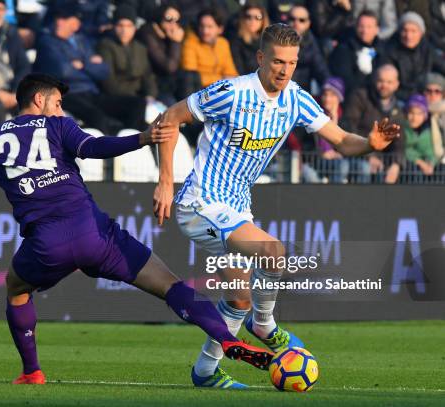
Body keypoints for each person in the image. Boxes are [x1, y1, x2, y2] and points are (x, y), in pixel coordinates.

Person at [0, 73, 272, 386]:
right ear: (43, 100)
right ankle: (224, 338)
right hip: (93, 233)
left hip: (46, 244)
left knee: (15, 287)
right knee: (169, 283)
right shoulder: (59, 126)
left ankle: (32, 372)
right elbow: (95, 148)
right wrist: (141, 139)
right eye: (59, 102)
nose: (62, 109)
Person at [152, 23, 400, 389]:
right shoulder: (231, 92)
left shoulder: (295, 98)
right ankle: (265, 324)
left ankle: (205, 372)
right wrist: (165, 182)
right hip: (200, 201)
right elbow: (170, 118)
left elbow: (342, 141)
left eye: (292, 63)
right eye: (278, 62)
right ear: (261, 58)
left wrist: (370, 144)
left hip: (237, 206)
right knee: (273, 252)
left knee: (238, 298)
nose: (284, 71)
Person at [34, 5, 145, 134]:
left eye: (65, 19)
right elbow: (63, 71)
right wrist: (90, 67)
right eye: (58, 18)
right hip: (67, 94)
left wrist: (82, 65)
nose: (59, 22)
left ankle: (133, 144)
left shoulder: (82, 41)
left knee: (137, 104)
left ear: (76, 23)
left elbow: (104, 71)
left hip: (92, 93)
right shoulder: (47, 42)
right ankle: (110, 151)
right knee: (97, 116)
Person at [344, 64, 405, 183]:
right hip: (357, 154)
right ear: (374, 80)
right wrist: (368, 156)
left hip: (382, 160)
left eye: (389, 82)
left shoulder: (399, 110)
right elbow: (348, 126)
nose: (384, 86)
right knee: (364, 169)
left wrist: (396, 164)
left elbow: (400, 142)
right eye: (381, 81)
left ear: (397, 84)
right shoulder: (360, 97)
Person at [96, 6, 158, 106]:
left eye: (129, 26)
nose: (124, 30)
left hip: (141, 98)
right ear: (114, 26)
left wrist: (150, 95)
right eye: (120, 25)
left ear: (134, 28)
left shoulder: (140, 48)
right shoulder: (105, 46)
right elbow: (108, 82)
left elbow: (148, 76)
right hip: (117, 99)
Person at [380, 11, 445, 101]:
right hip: (398, 98)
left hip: (424, 95)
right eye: (405, 30)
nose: (408, 36)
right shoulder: (389, 50)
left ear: (421, 33)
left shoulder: (427, 49)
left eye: (413, 31)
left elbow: (442, 66)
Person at [136, 4, 185, 105]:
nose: (173, 23)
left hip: (169, 83)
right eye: (168, 19)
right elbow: (169, 67)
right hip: (151, 84)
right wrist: (175, 42)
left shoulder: (170, 34)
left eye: (177, 20)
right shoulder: (147, 33)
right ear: (160, 16)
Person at [329, 10, 384, 98]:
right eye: (361, 26)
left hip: (377, 97)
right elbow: (345, 80)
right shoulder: (343, 49)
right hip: (352, 97)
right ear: (356, 27)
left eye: (369, 27)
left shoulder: (383, 50)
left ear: (376, 29)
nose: (364, 31)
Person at [181, 8, 238, 90]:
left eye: (210, 27)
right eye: (202, 26)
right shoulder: (190, 42)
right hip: (198, 91)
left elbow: (231, 73)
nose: (205, 31)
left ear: (220, 29)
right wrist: (221, 78)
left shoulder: (223, 43)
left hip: (220, 89)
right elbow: (191, 77)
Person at [288, 5, 330, 91]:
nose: (296, 23)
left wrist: (331, 89)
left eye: (301, 20)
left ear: (308, 23)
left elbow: (321, 71)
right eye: (292, 19)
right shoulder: (274, 40)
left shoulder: (311, 44)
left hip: (299, 93)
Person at [227, 2, 270, 75]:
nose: (252, 21)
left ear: (263, 19)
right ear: (242, 19)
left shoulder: (270, 41)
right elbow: (239, 70)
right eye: (248, 17)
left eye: (258, 17)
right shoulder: (235, 41)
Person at [403, 94, 436, 182]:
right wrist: (419, 162)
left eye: (419, 113)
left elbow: (432, 151)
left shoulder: (429, 131)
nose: (414, 117)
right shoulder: (401, 128)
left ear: (425, 116)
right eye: (411, 113)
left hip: (428, 171)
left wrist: (431, 164)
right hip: (407, 169)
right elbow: (401, 149)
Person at [424, 73, 445, 167]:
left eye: (437, 91)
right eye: (429, 91)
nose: (432, 94)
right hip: (423, 162)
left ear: (443, 94)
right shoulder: (415, 112)